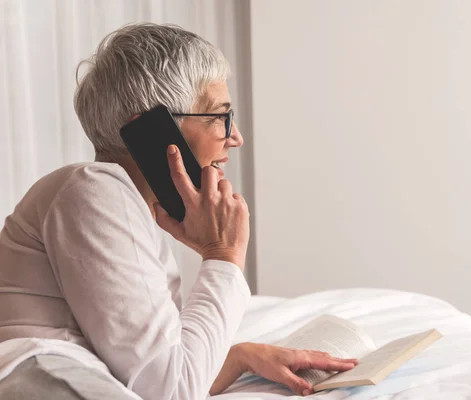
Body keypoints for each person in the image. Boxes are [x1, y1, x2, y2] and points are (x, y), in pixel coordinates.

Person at [0, 23, 357, 399]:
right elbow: (172, 391)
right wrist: (223, 256)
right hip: (42, 376)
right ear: (155, 132)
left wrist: (240, 357)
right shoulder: (92, 188)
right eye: (221, 117)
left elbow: (154, 373)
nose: (236, 138)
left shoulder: (122, 205)